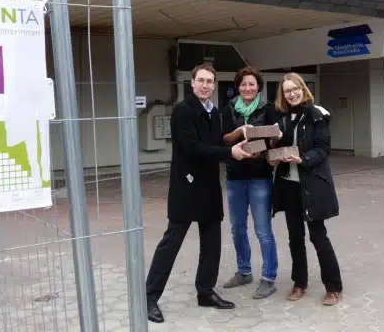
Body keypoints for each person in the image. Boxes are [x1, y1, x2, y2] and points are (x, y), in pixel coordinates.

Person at [145, 63, 254, 324]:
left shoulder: (214, 112)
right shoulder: (183, 111)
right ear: (192, 83)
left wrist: (237, 136)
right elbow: (193, 148)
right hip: (187, 185)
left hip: (208, 186)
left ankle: (205, 292)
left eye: (210, 81)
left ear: (214, 86)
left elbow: (215, 143)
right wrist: (230, 153)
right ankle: (148, 298)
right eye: (201, 80)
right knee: (171, 242)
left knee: (212, 243)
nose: (205, 85)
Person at [268, 73, 343, 306]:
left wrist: (304, 159)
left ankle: (333, 287)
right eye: (287, 90)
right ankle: (299, 283)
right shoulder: (282, 119)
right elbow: (280, 148)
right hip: (288, 185)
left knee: (318, 236)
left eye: (295, 88)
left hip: (311, 185)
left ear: (303, 89)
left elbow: (323, 149)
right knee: (295, 237)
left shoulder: (316, 115)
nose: (291, 93)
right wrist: (273, 153)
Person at [220, 66, 280, 299]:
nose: (247, 88)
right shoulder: (228, 110)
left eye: (252, 84)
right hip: (234, 177)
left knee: (263, 229)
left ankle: (269, 278)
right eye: (243, 84)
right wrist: (239, 132)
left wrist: (268, 140)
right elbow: (222, 141)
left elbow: (275, 140)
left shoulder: (268, 109)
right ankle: (244, 271)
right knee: (237, 228)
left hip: (259, 177)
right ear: (238, 86)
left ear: (258, 87)